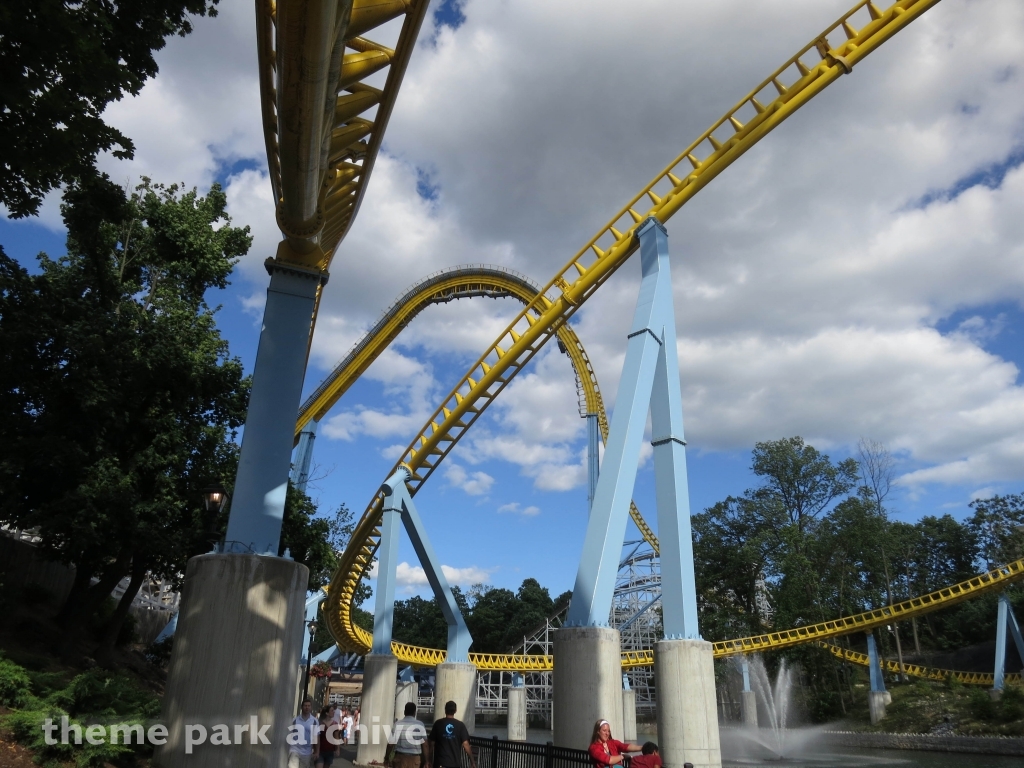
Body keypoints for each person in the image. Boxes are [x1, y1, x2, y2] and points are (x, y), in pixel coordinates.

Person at [425, 700, 476, 768]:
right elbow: (465, 744)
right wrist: (472, 761)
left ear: (445, 710)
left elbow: (431, 744)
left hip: (440, 763)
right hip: (454, 764)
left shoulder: (438, 724)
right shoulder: (460, 725)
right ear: (455, 711)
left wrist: (428, 760)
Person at [392, 702, 426, 768]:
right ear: (414, 713)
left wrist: (387, 758)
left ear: (404, 712)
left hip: (400, 758)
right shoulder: (420, 724)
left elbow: (390, 744)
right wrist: (427, 760)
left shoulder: (397, 724)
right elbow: (425, 745)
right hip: (415, 759)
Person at [289, 699, 320, 768]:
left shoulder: (314, 721)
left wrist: (317, 751)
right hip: (294, 749)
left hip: (307, 752)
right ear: (302, 707)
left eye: (309, 706)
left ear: (311, 708)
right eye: (305, 706)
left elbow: (316, 737)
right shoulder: (295, 720)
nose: (307, 707)